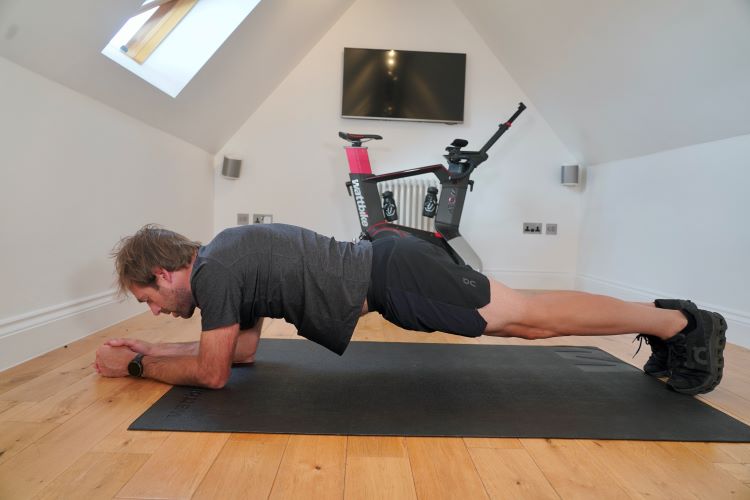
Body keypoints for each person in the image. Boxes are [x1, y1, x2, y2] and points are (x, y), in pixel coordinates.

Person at [96, 223, 727, 396]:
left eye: (150, 301)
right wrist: (155, 351)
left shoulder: (218, 272)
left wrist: (132, 369)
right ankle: (672, 324)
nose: (155, 314)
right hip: (391, 269)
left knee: (532, 318)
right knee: (529, 319)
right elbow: (237, 353)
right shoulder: (226, 263)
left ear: (163, 272)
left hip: (395, 274)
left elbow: (212, 374)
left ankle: (682, 324)